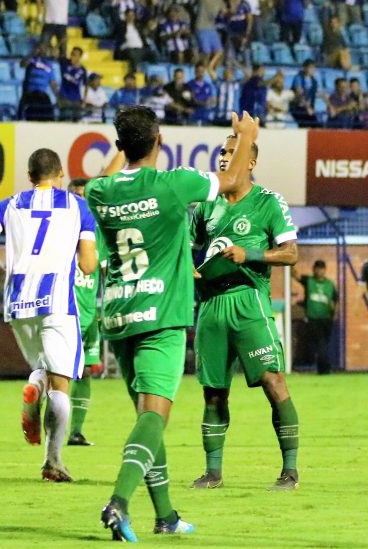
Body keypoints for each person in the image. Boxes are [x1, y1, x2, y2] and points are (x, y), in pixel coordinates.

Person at [84, 106, 259, 541]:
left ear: (120, 146)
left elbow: (106, 178)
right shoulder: (174, 184)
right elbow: (235, 182)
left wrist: (122, 151)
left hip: (120, 317)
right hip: (161, 318)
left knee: (147, 418)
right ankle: (118, 502)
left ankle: (166, 517)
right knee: (154, 418)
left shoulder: (98, 191)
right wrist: (246, 137)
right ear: (159, 141)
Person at [0, 149, 98, 482]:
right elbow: (87, 264)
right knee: (62, 384)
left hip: (18, 303)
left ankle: (34, 389)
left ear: (30, 177)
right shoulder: (76, 206)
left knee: (43, 367)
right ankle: (52, 461)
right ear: (59, 176)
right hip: (57, 302)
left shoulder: (10, 204)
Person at [189, 133, 302, 492]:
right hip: (210, 306)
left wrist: (248, 254)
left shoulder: (268, 202)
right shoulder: (205, 207)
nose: (223, 158)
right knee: (213, 392)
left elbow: (290, 253)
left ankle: (290, 471)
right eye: (221, 152)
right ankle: (213, 473)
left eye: (231, 153)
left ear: (249, 163)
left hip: (248, 301)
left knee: (273, 382)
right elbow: (189, 252)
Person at [67, 177, 104, 447]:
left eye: (85, 196)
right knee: (58, 374)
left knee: (86, 371)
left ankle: (76, 432)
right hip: (66, 314)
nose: (82, 201)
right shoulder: (62, 233)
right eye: (76, 196)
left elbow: (105, 272)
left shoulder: (97, 234)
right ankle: (51, 429)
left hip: (91, 314)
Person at [297, 260, 338, 375]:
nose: (319, 271)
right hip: (313, 319)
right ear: (314, 269)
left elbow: (334, 301)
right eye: (317, 268)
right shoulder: (308, 281)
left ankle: (323, 369)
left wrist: (334, 313)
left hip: (326, 319)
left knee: (324, 344)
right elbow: (296, 275)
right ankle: (324, 369)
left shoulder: (330, 284)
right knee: (320, 344)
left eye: (321, 268)